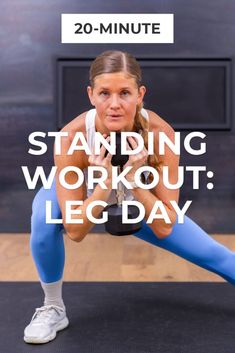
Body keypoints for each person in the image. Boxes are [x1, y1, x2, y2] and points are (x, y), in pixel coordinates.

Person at [24, 50, 235, 344]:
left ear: (140, 94)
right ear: (91, 95)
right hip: (88, 191)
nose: (114, 104)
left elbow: (164, 227)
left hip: (140, 194)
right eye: (104, 93)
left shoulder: (160, 134)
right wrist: (107, 180)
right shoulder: (72, 138)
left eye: (124, 93)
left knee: (214, 254)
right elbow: (75, 231)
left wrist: (133, 179)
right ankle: (53, 307)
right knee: (43, 215)